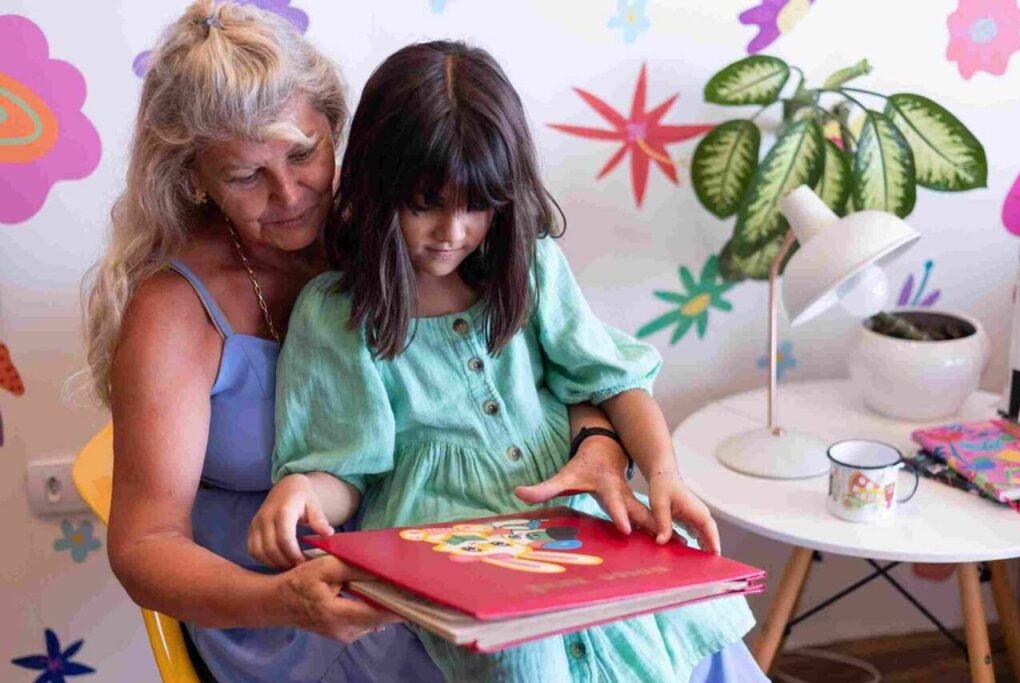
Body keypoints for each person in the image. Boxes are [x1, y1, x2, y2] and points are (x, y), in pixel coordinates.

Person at [83, 4, 639, 682]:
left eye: (302, 153)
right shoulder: (172, 312)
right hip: (290, 608)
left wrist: (599, 440)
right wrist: (280, 599)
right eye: (244, 175)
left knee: (645, 629)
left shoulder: (407, 230)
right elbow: (144, 545)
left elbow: (546, 372)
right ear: (194, 175)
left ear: (335, 129)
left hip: (438, 555)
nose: (288, 194)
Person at [255, 41, 767, 682]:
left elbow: (612, 381)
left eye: (475, 205)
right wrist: (301, 491)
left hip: (576, 520)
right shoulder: (337, 314)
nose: (452, 231)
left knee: (656, 612)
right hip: (451, 547)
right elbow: (344, 470)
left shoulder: (528, 267)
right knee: (524, 656)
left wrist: (662, 472)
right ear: (377, 183)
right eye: (424, 204)